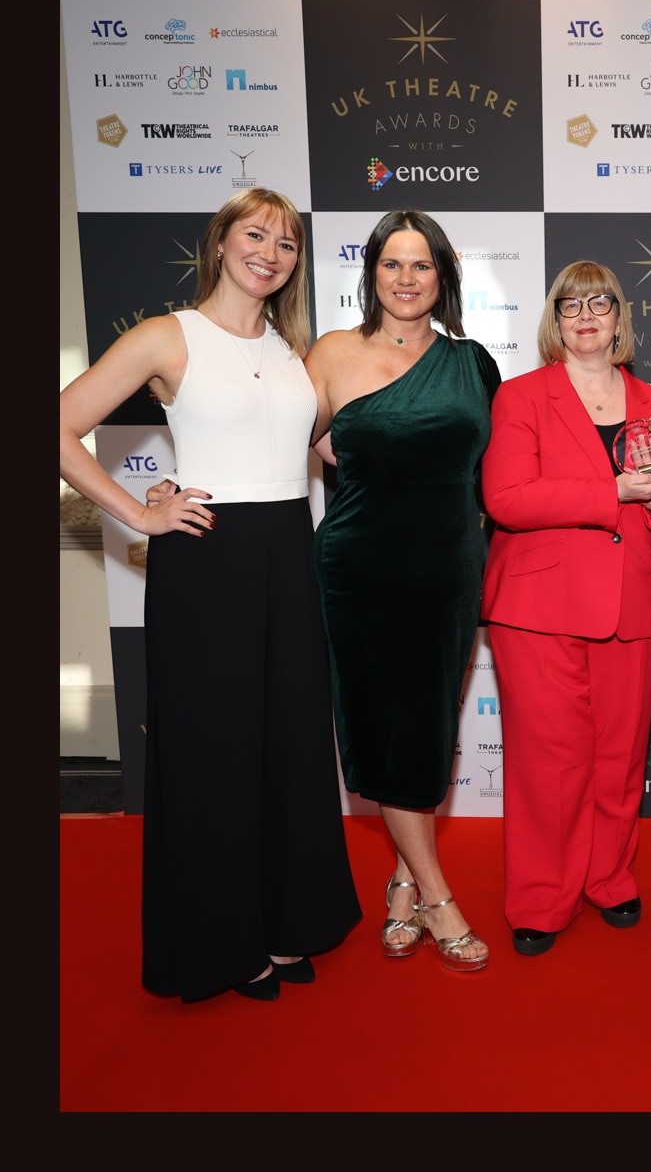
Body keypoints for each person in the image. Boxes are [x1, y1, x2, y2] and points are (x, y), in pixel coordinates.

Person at [58, 189, 360, 1002]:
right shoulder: (169, 335)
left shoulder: (294, 351)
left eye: (287, 243)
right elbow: (60, 423)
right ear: (221, 242)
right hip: (207, 561)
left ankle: (288, 921)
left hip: (290, 556)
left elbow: (334, 450)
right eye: (255, 234)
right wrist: (140, 513)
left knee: (291, 748)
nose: (270, 252)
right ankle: (226, 944)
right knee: (214, 756)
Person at [479, 262, 651, 957]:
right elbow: (506, 498)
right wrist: (614, 493)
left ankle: (609, 878)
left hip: (636, 600)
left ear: (619, 317)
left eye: (599, 304)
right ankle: (543, 897)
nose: (585, 317)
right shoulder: (521, 396)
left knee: (620, 756)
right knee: (549, 762)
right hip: (538, 606)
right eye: (570, 306)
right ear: (555, 320)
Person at [306, 209, 502, 973]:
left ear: (443, 276)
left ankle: (401, 886)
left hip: (449, 569)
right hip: (360, 569)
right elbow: (284, 443)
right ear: (371, 272)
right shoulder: (333, 353)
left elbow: (501, 471)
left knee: (424, 729)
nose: (407, 278)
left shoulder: (473, 362)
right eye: (392, 263)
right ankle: (439, 898)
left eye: (422, 265)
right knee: (385, 727)